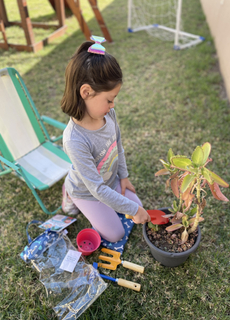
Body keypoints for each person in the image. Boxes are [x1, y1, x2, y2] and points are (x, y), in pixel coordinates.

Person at [61, 36, 151, 242]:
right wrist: (132, 209)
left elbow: (118, 147)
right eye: (109, 100)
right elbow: (97, 189)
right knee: (115, 234)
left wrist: (124, 177)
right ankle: (69, 192)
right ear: (86, 92)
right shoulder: (74, 140)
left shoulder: (108, 115)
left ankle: (117, 201)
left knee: (138, 206)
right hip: (88, 191)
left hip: (109, 183)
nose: (113, 106)